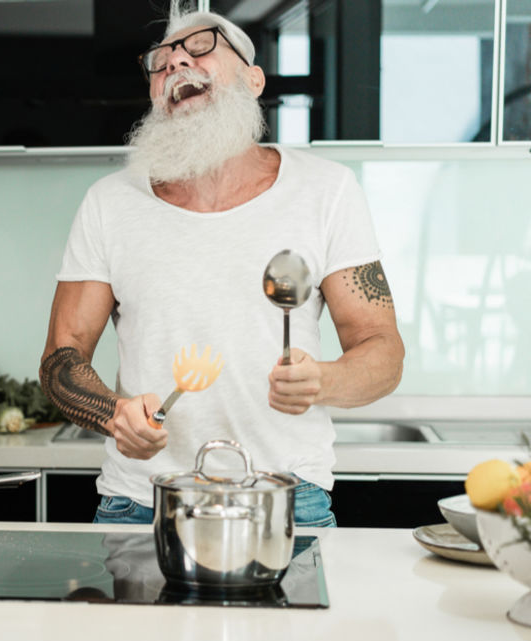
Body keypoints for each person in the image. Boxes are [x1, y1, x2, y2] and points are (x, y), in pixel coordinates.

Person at [38, 5, 404, 527]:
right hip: (142, 504)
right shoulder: (109, 203)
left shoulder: (326, 191)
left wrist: (323, 381)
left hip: (284, 502)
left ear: (254, 80)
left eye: (200, 47)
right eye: (160, 63)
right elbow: (60, 358)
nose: (175, 65)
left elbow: (383, 351)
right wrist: (113, 414)